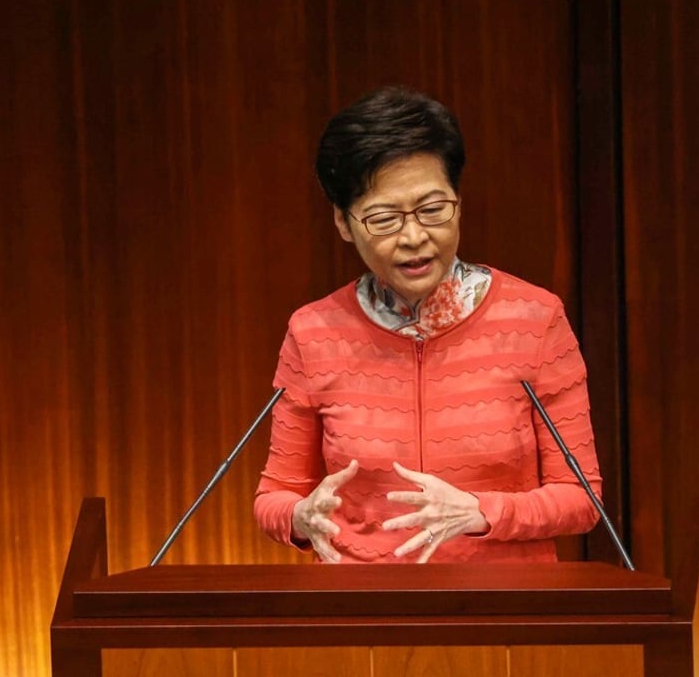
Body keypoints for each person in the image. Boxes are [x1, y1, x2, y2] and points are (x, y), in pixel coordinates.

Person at [254, 86, 602, 564]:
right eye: (384, 218)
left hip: (507, 618)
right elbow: (274, 496)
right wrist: (299, 516)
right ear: (342, 222)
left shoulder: (534, 319)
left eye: (433, 209)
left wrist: (480, 512)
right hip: (361, 616)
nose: (414, 236)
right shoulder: (313, 332)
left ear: (458, 199)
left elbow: (582, 499)